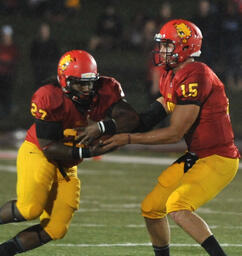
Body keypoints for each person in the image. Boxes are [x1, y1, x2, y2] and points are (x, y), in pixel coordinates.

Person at [97, 19, 240, 256]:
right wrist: (108, 125)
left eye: (167, 45)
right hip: (196, 156)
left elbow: (174, 133)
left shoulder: (196, 74)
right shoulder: (170, 75)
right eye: (162, 45)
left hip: (218, 158)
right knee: (152, 208)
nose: (161, 50)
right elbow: (145, 119)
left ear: (184, 47)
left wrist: (129, 140)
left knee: (178, 206)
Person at [0, 50, 139, 255]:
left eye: (89, 83)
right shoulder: (49, 95)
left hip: (68, 163)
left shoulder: (106, 89)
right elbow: (48, 147)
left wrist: (102, 128)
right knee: (29, 208)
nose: (86, 89)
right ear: (65, 81)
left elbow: (131, 118)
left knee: (55, 229)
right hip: (39, 152)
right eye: (79, 83)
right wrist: (88, 152)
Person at [30, 22, 60, 90]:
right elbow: (32, 57)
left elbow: (56, 57)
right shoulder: (35, 44)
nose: (43, 33)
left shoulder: (53, 44)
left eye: (45, 31)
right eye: (42, 31)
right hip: (38, 73)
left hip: (49, 73)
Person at [0, 25, 18, 119]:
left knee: (7, 95)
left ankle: (8, 115)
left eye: (6, 35)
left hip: (8, 76)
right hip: (0, 75)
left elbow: (13, 61)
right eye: (3, 35)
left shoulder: (13, 48)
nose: (5, 37)